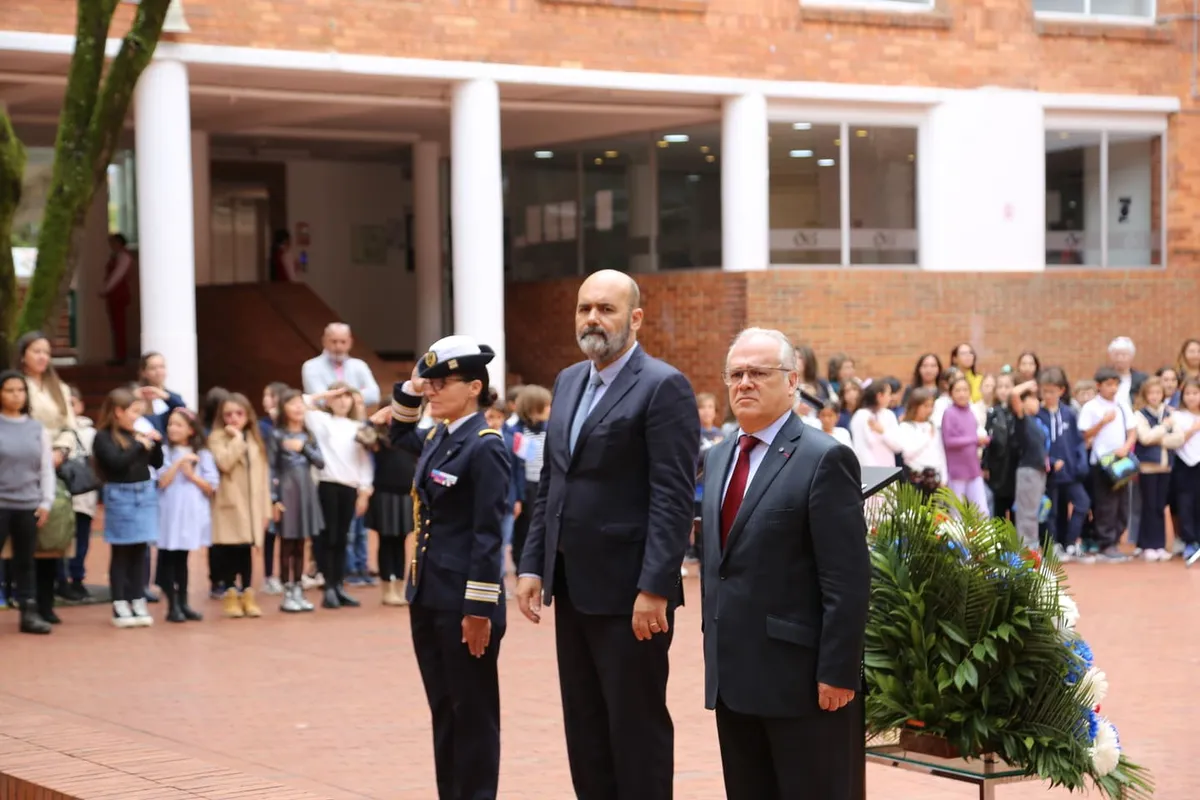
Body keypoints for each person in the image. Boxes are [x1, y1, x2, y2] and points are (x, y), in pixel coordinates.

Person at [515, 270, 699, 800]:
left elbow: (671, 495)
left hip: (632, 596)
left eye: (606, 309)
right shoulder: (569, 380)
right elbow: (553, 480)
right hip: (573, 586)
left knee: (635, 729)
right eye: (584, 308)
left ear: (635, 318)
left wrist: (656, 587)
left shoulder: (664, 385)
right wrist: (533, 565)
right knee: (586, 727)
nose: (592, 318)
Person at [699, 328, 869, 800]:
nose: (745, 383)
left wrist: (838, 670)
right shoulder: (717, 458)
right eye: (736, 374)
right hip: (733, 678)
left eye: (759, 373)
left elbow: (848, 580)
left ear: (793, 381)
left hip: (802, 685)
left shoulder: (824, 458)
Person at [376, 335, 509, 800]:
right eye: (428, 382)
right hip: (428, 594)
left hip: (463, 603)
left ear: (474, 387)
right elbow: (397, 433)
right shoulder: (439, 436)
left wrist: (479, 609)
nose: (431, 390)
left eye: (440, 382)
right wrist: (411, 389)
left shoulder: (485, 445)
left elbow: (488, 536)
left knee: (472, 713)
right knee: (444, 709)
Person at [93, 387, 164, 629]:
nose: (137, 417)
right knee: (122, 551)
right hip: (121, 495)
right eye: (134, 411)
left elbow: (156, 463)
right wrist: (139, 446)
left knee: (140, 550)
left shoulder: (137, 434)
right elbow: (115, 464)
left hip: (144, 493)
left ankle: (138, 598)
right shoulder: (103, 437)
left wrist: (157, 444)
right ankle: (120, 602)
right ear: (118, 411)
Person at [0, 370, 56, 634]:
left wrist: (46, 501)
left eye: (20, 390)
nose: (16, 395)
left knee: (25, 561)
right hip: (1, 504)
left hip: (28, 504)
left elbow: (46, 468)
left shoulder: (36, 428)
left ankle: (29, 614)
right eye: (10, 390)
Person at [208, 393, 273, 617]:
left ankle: (247, 593)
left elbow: (263, 477)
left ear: (248, 415)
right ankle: (230, 594)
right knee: (229, 550)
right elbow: (224, 462)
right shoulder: (217, 437)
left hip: (253, 506)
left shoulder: (255, 438)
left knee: (247, 550)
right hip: (230, 504)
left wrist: (266, 509)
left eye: (239, 413)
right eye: (228, 414)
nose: (234, 418)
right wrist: (236, 439)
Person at [156, 408, 217, 622]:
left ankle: (183, 601)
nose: (172, 428)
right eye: (170, 424)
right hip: (170, 512)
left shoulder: (203, 454)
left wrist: (192, 476)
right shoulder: (163, 452)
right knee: (170, 557)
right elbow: (161, 481)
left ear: (191, 430)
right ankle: (172, 604)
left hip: (190, 512)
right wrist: (177, 465)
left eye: (178, 425)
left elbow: (211, 486)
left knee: (183, 558)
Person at [269, 389, 325, 613]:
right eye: (292, 403)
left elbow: (320, 462)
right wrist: (273, 498)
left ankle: (299, 588)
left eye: (300, 403)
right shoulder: (277, 435)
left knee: (302, 542)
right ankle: (287, 591)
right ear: (284, 408)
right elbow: (271, 467)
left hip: (306, 490)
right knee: (287, 542)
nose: (298, 407)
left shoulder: (309, 435)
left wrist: (304, 448)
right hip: (286, 491)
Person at [301, 322, 381, 407]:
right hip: (323, 418)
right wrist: (355, 395)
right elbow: (321, 399)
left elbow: (374, 396)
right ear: (324, 341)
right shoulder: (311, 367)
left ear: (350, 342)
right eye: (334, 341)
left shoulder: (360, 365)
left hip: (356, 419)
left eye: (343, 342)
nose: (338, 346)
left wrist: (338, 397)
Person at [99, 233, 134, 365]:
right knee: (115, 326)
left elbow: (117, 276)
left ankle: (121, 356)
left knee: (119, 325)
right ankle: (118, 354)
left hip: (119, 295)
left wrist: (105, 289)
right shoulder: (116, 256)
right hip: (114, 296)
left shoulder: (124, 257)